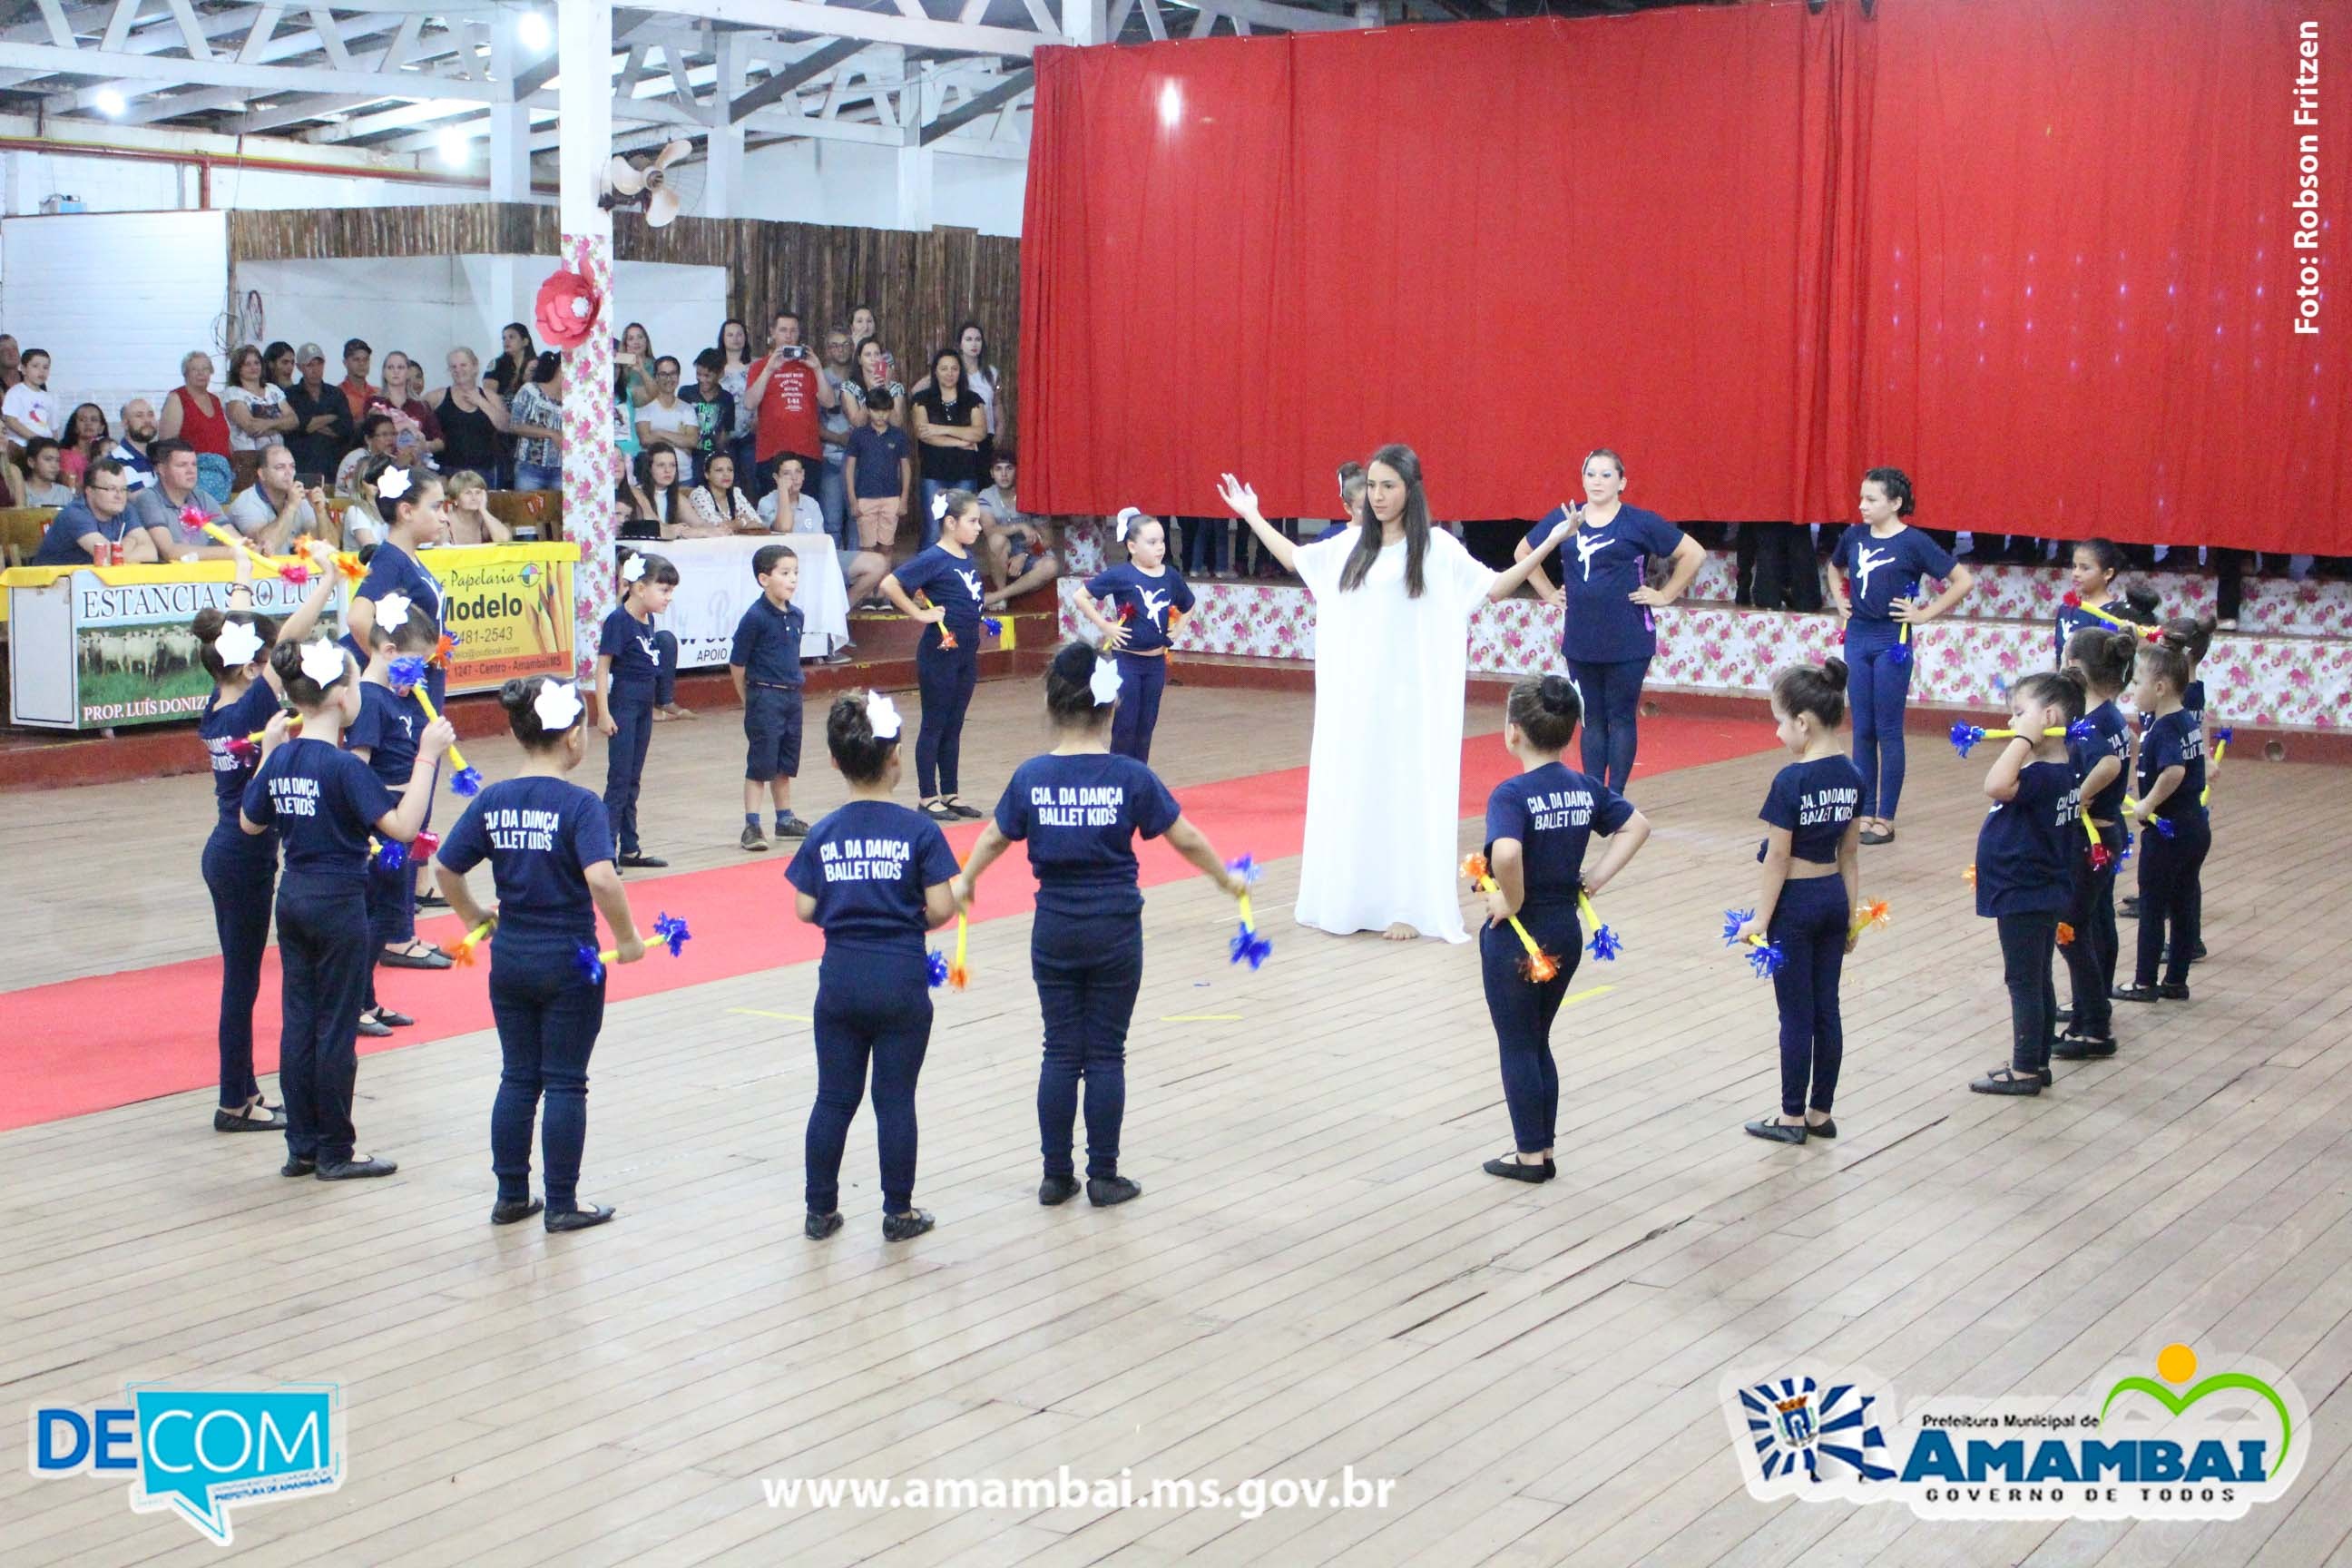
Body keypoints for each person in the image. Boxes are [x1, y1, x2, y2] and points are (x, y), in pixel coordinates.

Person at [1218, 446, 1572, 943]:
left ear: (1411, 490)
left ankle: (1409, 906)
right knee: (1356, 794)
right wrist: (1251, 513)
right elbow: (1296, 558)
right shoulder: (1346, 548)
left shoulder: (1439, 550)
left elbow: (1494, 587)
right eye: (1372, 488)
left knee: (1408, 800)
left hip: (1413, 708)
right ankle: (1351, 900)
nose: (1378, 497)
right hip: (1355, 705)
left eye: (1388, 487)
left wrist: (1549, 544)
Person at [953, 643, 1250, 1206]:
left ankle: (1054, 1174)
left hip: (1054, 930)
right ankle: (1104, 1175)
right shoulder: (1130, 776)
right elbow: (1183, 835)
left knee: (1060, 1050)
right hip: (1114, 929)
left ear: (1051, 704)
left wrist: (967, 880)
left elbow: (994, 837)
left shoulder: (1031, 776)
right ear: (1112, 708)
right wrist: (1223, 879)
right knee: (1107, 1052)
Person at [240, 636, 454, 1180]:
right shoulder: (343, 768)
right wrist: (427, 757)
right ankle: (336, 1149)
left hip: (292, 899)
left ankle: (301, 1146)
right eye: (355, 684)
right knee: (335, 1028)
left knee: (299, 1021)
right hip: (338, 903)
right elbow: (404, 829)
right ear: (338, 697)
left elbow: (250, 822)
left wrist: (267, 755)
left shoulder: (284, 757)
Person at [435, 677, 642, 1231]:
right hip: (570, 962)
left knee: (519, 1077)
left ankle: (510, 1195)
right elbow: (601, 876)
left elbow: (444, 868)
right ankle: (563, 1202)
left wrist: (474, 917)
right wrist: (625, 937)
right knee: (567, 1081)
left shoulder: (493, 799)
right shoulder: (581, 805)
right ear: (574, 737)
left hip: (512, 961)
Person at [786, 691, 962, 1242]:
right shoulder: (921, 832)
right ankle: (898, 1212)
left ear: (836, 761)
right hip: (901, 981)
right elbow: (940, 908)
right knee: (894, 1099)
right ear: (896, 758)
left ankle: (819, 1211)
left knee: (833, 1097)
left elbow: (804, 908)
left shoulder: (824, 832)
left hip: (839, 982)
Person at [1477, 675, 1652, 1175]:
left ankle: (1531, 1155)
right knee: (1538, 1039)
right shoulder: (1582, 787)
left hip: (1521, 937)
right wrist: (1594, 878)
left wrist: (1510, 900)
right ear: (1573, 730)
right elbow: (1637, 826)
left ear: (1513, 732)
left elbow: (1506, 851)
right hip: (1565, 930)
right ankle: (1543, 1146)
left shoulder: (1511, 794)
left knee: (1517, 1044)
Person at [194, 537, 339, 1133]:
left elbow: (243, 633)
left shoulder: (218, 700)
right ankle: (235, 1100)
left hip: (227, 849)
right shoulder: (255, 701)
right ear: (252, 665)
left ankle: (242, 1092)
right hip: (245, 852)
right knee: (241, 983)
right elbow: (284, 641)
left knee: (242, 978)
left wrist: (242, 573)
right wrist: (326, 583)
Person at [1513, 449, 1705, 792]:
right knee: (1590, 717)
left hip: (1628, 635)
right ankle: (1591, 791)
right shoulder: (1567, 519)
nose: (1597, 481)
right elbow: (1524, 552)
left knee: (1620, 715)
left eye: (1606, 475)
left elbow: (1693, 553)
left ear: (1622, 482)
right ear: (1582, 479)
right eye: (1591, 474)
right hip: (1582, 637)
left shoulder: (1638, 521)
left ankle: (1614, 793)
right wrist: (1546, 592)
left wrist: (1665, 594)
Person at [1737, 662, 1863, 1143]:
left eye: (1780, 721)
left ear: (1804, 724)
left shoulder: (1791, 781)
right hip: (1833, 897)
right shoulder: (1851, 773)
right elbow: (1849, 853)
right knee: (1826, 1008)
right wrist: (1850, 917)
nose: (1777, 731)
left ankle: (1790, 1117)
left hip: (1796, 904)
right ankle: (1819, 1112)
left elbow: (1778, 859)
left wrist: (1760, 920)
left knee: (1795, 1015)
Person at [1826, 468, 1976, 845]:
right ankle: (1863, 810)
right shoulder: (1854, 536)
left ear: (1895, 503)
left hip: (1892, 638)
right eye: (1861, 498)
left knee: (1888, 729)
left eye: (1872, 499)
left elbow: (1963, 580)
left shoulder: (1914, 542)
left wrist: (1924, 614)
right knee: (1862, 727)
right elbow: (1834, 566)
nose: (1862, 505)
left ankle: (1885, 817)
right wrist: (1839, 597)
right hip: (1858, 636)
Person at [1967, 671, 2085, 1095]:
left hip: (2025, 891)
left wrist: (2022, 740)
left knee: (2023, 980)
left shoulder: (2041, 775)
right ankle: (2036, 1059)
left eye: (2020, 714)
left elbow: (1994, 784)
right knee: (2038, 977)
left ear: (2048, 718)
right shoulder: (2062, 770)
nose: (2013, 722)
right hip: (2038, 889)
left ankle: (2025, 1069)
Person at [346, 595, 450, 1043]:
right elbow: (358, 768)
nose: (419, 673)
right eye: (413, 662)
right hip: (380, 827)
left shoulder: (397, 697)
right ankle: (352, 1003)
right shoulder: (370, 701)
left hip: (399, 821)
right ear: (388, 653)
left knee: (386, 915)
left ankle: (366, 1000)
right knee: (373, 919)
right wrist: (375, 828)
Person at [2052, 628, 2135, 1059]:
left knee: (2069, 930)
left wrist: (2077, 796)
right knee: (2094, 923)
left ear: (2076, 669)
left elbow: (2107, 762)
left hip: (2092, 837)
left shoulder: (2091, 723)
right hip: (2106, 833)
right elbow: (2127, 750)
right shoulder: (2113, 716)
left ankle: (2096, 1025)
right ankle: (2090, 1009)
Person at [882, 491, 990, 822]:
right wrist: (918, 614)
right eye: (972, 521)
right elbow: (889, 583)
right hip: (939, 653)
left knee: (954, 724)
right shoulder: (934, 557)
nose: (978, 528)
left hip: (965, 652)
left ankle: (951, 792)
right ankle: (928, 796)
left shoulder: (964, 555)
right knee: (935, 723)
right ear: (950, 523)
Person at [2117, 642, 2210, 1004]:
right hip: (2194, 827)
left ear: (2160, 687)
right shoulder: (2183, 719)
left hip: (2168, 829)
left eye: (2138, 681)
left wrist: (2147, 803)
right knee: (2184, 903)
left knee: (2153, 907)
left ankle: (2143, 983)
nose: (2133, 689)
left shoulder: (2166, 727)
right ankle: (2176, 980)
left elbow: (2174, 770)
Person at [1075, 510, 1192, 763]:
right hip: (1127, 661)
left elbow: (1189, 603)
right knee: (1126, 724)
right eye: (1152, 543)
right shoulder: (1122, 575)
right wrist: (1105, 626)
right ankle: (1118, 778)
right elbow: (1080, 596)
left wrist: (1179, 628)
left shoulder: (1170, 575)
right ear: (1132, 546)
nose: (1159, 548)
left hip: (1155, 663)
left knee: (1146, 725)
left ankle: (1139, 778)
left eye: (1162, 541)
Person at [596, 548, 679, 870]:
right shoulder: (618, 621)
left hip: (643, 707)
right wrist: (604, 712)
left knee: (633, 778)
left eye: (671, 591)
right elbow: (603, 668)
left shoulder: (648, 619)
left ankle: (629, 848)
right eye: (664, 590)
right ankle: (605, 848)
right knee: (619, 779)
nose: (668, 597)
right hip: (624, 705)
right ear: (639, 588)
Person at [344, 459, 450, 709]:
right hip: (405, 699)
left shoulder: (407, 558)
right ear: (406, 511)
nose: (444, 517)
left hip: (425, 686)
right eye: (436, 507)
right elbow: (357, 618)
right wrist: (394, 673)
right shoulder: (390, 559)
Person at [730, 544, 808, 851]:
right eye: (785, 573)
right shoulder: (755, 617)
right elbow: (738, 663)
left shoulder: (797, 615)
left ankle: (784, 818)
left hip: (792, 697)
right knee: (760, 763)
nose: (792, 580)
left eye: (795, 573)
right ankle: (752, 824)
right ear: (764, 579)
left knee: (785, 763)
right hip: (765, 696)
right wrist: (747, 698)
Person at [2155, 614, 2216, 965]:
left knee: (2183, 875)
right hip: (2183, 786)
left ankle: (2188, 939)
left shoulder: (2183, 697)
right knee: (2185, 875)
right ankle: (2188, 937)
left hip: (2180, 793)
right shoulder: (2190, 691)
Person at [747, 310, 834, 496]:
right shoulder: (759, 366)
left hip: (807, 452)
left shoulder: (809, 366)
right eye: (783, 330)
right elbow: (749, 403)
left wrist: (818, 369)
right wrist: (769, 369)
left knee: (807, 512)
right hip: (771, 453)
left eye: (793, 331)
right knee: (773, 514)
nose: (788, 336)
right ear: (773, 332)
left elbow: (829, 402)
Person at [910, 348, 986, 548]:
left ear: (960, 371)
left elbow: (979, 433)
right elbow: (924, 435)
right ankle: (928, 578)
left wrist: (939, 429)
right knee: (933, 530)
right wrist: (961, 441)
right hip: (933, 475)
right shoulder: (922, 399)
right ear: (935, 371)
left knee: (963, 530)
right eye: (944, 368)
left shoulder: (973, 399)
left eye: (954, 368)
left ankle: (956, 577)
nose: (949, 373)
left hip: (965, 475)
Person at [978, 451, 1059, 609]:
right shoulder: (986, 495)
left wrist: (1025, 554)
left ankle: (998, 597)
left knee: (1052, 566)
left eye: (1009, 468)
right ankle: (1002, 593)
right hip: (1003, 557)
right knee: (996, 540)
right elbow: (989, 531)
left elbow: (1048, 539)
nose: (1004, 474)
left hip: (1031, 554)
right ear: (991, 473)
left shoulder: (1031, 495)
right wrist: (1020, 526)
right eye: (998, 469)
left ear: (1017, 470)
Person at [29, 458, 147, 565]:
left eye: (123, 489)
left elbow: (151, 552)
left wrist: (120, 553)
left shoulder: (125, 508)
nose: (119, 496)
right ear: (89, 491)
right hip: (52, 584)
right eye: (111, 489)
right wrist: (131, 541)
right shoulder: (75, 514)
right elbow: (107, 558)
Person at [129, 439, 229, 559]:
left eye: (194, 464)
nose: (191, 471)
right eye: (182, 465)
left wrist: (245, 547)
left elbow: (232, 538)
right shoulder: (149, 498)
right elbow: (169, 551)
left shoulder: (202, 497)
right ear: (161, 469)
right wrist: (229, 552)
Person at [224, 443, 326, 554]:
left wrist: (320, 512)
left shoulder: (300, 496)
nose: (289, 473)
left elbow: (331, 546)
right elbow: (264, 548)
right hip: (256, 570)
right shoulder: (247, 502)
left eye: (292, 466)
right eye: (280, 467)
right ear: (262, 474)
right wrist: (290, 507)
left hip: (294, 568)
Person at [430, 347, 508, 479]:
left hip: (484, 471)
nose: (458, 370)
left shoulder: (491, 397)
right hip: (446, 470)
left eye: (463, 365)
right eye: (453, 367)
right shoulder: (437, 397)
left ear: (475, 366)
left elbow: (506, 426)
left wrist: (481, 402)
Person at [285, 344, 355, 481]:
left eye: (319, 364)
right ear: (299, 367)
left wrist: (310, 424)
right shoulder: (290, 394)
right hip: (301, 466)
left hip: (333, 467)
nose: (315, 369)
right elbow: (296, 426)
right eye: (309, 365)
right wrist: (332, 417)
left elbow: (346, 428)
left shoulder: (336, 394)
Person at [814, 327, 857, 544]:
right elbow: (811, 422)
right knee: (831, 522)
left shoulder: (860, 376)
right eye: (835, 345)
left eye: (845, 344)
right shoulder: (818, 378)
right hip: (830, 457)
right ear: (827, 350)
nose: (840, 350)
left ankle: (858, 571)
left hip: (860, 459)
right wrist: (838, 438)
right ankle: (836, 573)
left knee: (856, 519)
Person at [634, 357, 701, 481]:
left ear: (678, 376)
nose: (669, 378)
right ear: (656, 377)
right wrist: (680, 441)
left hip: (684, 478)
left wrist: (659, 433)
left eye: (673, 374)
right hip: (653, 479)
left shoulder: (687, 409)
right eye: (663, 374)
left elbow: (692, 441)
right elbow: (645, 439)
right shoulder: (644, 407)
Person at [372, 351, 443, 466]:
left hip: (416, 465)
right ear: (384, 373)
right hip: (383, 465)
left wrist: (425, 446)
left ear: (408, 373)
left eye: (400, 367)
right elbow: (369, 438)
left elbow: (440, 441)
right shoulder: (374, 402)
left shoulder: (422, 405)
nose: (396, 371)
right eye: (390, 367)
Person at [507, 352, 564, 493]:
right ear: (560, 367)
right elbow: (515, 425)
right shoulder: (531, 390)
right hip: (530, 467)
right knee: (527, 512)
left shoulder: (575, 399)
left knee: (559, 513)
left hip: (562, 468)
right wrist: (550, 433)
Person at [159, 350, 232, 459]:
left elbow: (225, 438)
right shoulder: (177, 398)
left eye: (205, 369)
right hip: (193, 470)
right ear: (185, 373)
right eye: (194, 369)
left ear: (211, 372)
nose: (200, 373)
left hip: (223, 469)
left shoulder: (215, 400)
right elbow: (166, 443)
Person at [221, 345, 296, 453]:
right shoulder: (233, 393)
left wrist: (266, 424)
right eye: (248, 364)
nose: (254, 367)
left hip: (277, 455)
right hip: (248, 457)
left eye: (257, 363)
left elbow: (294, 421)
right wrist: (282, 426)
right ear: (238, 369)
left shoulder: (273, 389)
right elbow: (252, 427)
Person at [716, 317, 759, 495]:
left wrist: (759, 418)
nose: (735, 338)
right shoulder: (716, 366)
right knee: (727, 483)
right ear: (722, 338)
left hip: (751, 432)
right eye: (730, 334)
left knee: (751, 482)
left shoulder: (756, 365)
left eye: (740, 334)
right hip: (724, 433)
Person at [686, 348, 737, 485]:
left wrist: (721, 447)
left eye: (707, 375)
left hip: (714, 458)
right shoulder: (686, 393)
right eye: (699, 374)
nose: (702, 379)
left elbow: (727, 431)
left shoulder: (726, 398)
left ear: (720, 374)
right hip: (690, 457)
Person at [336, 414, 402, 498]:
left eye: (393, 434)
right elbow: (362, 488)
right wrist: (397, 466)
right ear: (368, 439)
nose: (390, 438)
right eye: (384, 434)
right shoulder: (357, 457)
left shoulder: (392, 458)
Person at [626, 445, 687, 537]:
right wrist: (675, 530)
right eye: (661, 465)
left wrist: (713, 530)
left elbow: (698, 523)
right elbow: (652, 523)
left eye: (672, 465)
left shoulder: (677, 496)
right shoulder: (637, 492)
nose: (668, 470)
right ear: (649, 468)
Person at [755, 453, 823, 534]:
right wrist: (783, 490)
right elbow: (784, 528)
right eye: (786, 473)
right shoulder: (766, 502)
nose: (794, 478)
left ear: (803, 474)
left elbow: (820, 539)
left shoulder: (812, 504)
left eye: (798, 472)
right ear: (776, 477)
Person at [3, 346, 55, 448]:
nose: (41, 371)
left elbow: (53, 428)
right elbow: (11, 421)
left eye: (46, 367)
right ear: (23, 369)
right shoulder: (15, 392)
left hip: (44, 447)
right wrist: (36, 440)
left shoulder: (50, 397)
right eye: (35, 366)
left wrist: (55, 447)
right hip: (21, 445)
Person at [444, 468, 513, 546]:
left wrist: (483, 510)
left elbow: (505, 540)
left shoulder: (483, 520)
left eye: (478, 492)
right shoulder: (445, 522)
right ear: (455, 498)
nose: (474, 497)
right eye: (468, 493)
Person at [108, 397, 159, 492]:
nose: (147, 420)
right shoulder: (117, 462)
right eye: (139, 416)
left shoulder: (161, 456)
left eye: (151, 415)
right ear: (125, 424)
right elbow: (144, 503)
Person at [60, 401, 109, 487]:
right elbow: (72, 489)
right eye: (82, 419)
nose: (88, 423)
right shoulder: (65, 455)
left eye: (94, 420)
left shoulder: (109, 452)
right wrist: (95, 468)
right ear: (74, 427)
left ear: (101, 428)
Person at [17, 438, 73, 505]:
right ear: (31, 462)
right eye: (48, 459)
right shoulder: (19, 490)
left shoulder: (64, 493)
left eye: (57, 460)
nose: (54, 465)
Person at [337, 338, 377, 425]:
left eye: (366, 359)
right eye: (356, 359)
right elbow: (337, 429)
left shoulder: (378, 393)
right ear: (345, 363)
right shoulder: (337, 395)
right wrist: (368, 419)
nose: (362, 364)